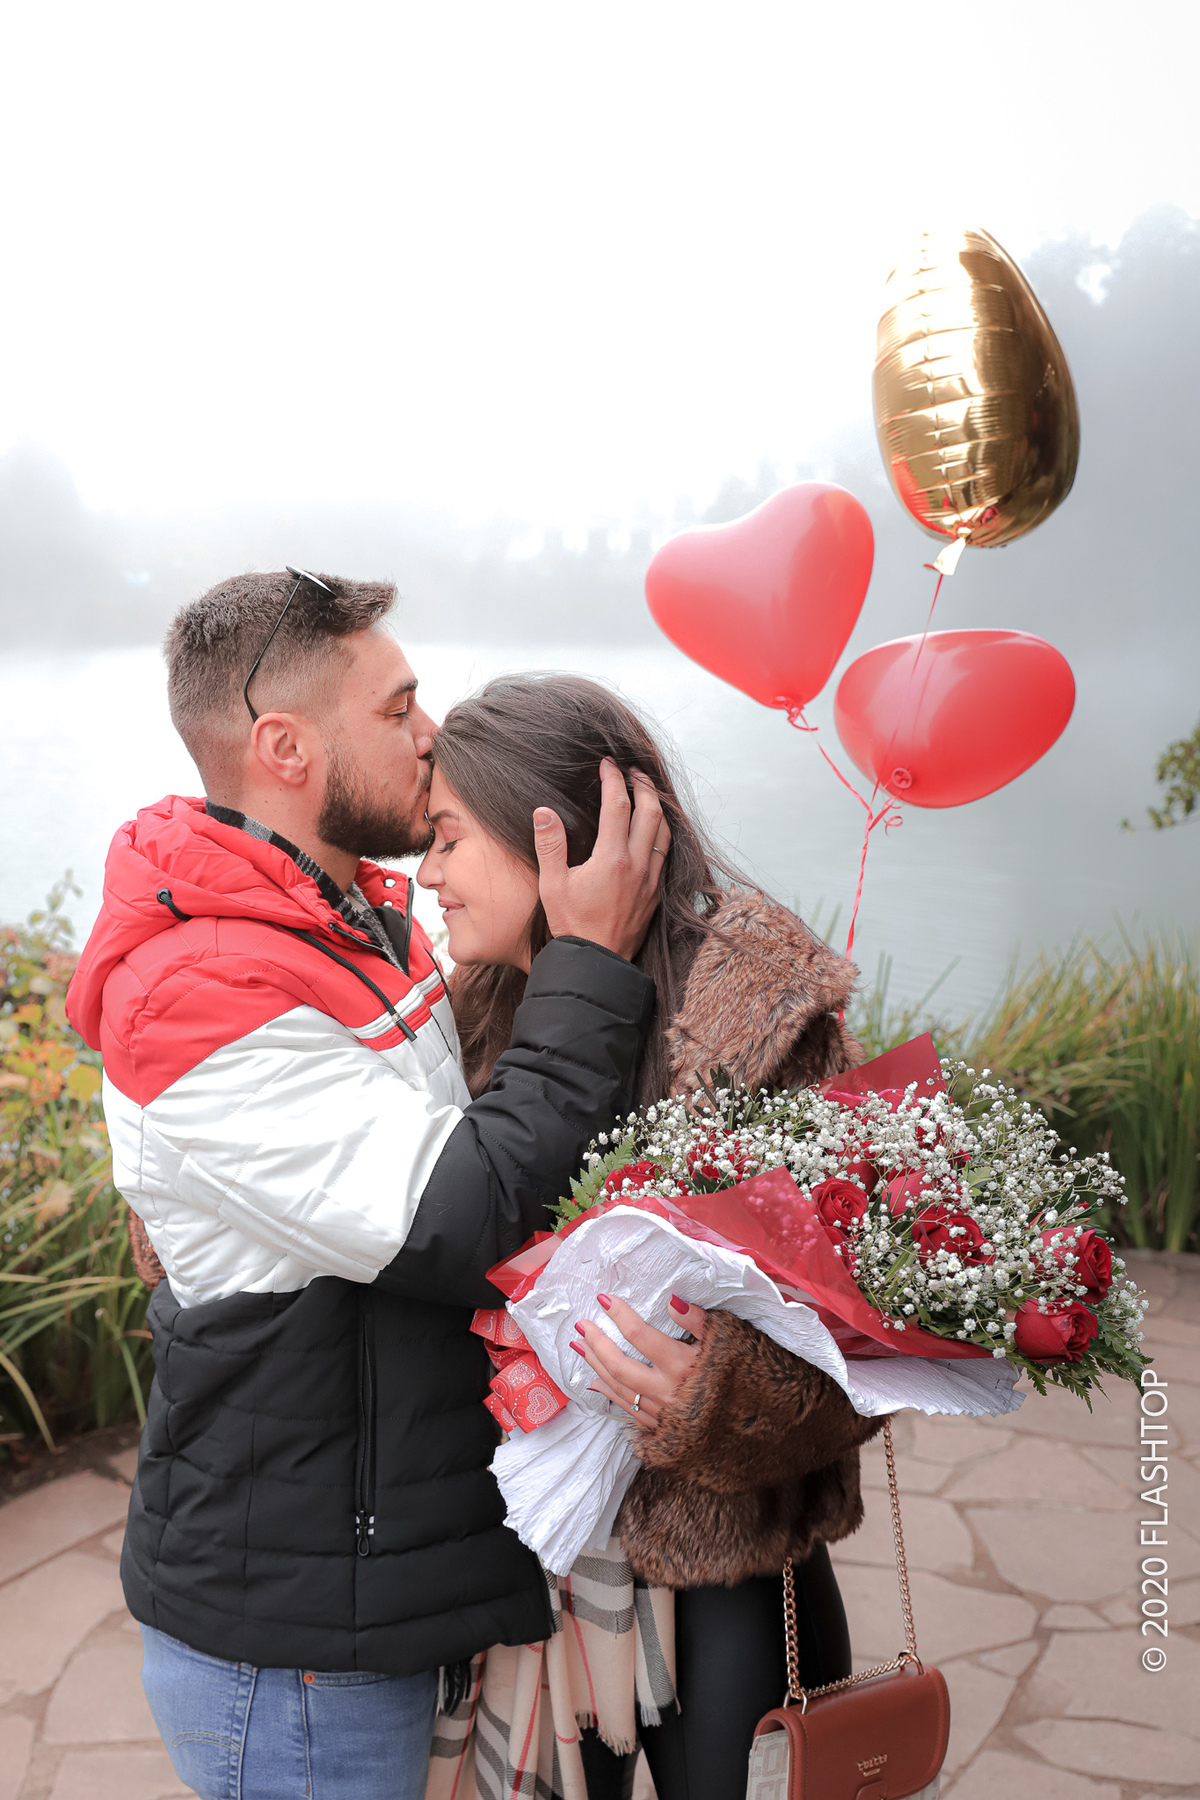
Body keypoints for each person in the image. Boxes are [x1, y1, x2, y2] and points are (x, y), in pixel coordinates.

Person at [65, 570, 673, 1800]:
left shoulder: (342, 923)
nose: (432, 732)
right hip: (290, 1648)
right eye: (397, 708)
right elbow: (452, 1217)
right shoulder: (206, 989)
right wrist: (596, 965)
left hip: (359, 1584)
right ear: (285, 747)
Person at [419, 674, 882, 1800]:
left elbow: (868, 1340)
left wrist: (713, 1394)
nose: (426, 873)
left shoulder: (760, 1015)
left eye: (444, 838)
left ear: (555, 838)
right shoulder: (469, 1006)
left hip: (716, 1564)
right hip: (523, 1551)